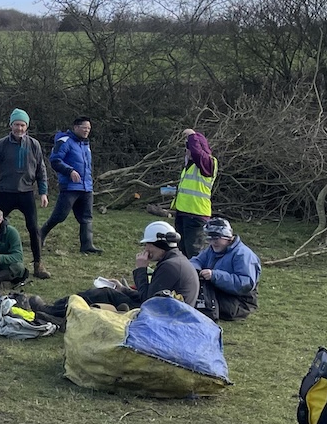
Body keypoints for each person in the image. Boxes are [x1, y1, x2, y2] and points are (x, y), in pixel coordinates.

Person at [0, 109, 51, 278]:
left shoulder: (34, 145)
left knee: (33, 228)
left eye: (22, 125)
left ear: (27, 126)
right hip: (5, 193)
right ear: (11, 125)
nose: (19, 128)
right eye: (16, 125)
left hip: (26, 193)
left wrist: (43, 192)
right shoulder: (1, 145)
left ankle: (38, 265)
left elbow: (41, 169)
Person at [79, 221, 199, 311]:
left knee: (107, 294)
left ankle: (71, 303)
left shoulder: (170, 266)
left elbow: (147, 301)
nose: (146, 249)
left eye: (148, 245)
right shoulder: (175, 261)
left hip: (163, 318)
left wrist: (141, 269)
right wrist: (123, 289)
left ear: (159, 244)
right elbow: (150, 295)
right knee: (112, 293)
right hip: (166, 313)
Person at [41, 116, 101, 254]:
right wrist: (70, 171)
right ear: (75, 127)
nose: (87, 131)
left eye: (89, 128)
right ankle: (40, 234)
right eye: (84, 128)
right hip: (70, 187)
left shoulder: (86, 145)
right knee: (59, 216)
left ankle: (87, 246)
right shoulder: (64, 141)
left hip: (86, 187)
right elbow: (55, 160)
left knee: (86, 218)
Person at [190, 217, 259, 321]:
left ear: (227, 236)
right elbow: (196, 261)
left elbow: (246, 284)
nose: (213, 243)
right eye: (210, 239)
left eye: (216, 239)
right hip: (218, 292)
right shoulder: (212, 249)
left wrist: (215, 276)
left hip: (240, 301)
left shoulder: (243, 254)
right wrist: (195, 269)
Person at [171, 129, 217, 258]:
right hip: (183, 213)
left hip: (196, 215)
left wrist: (192, 135)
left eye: (190, 148)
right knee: (181, 251)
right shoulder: (190, 166)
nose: (188, 152)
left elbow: (197, 153)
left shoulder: (208, 163)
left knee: (194, 254)